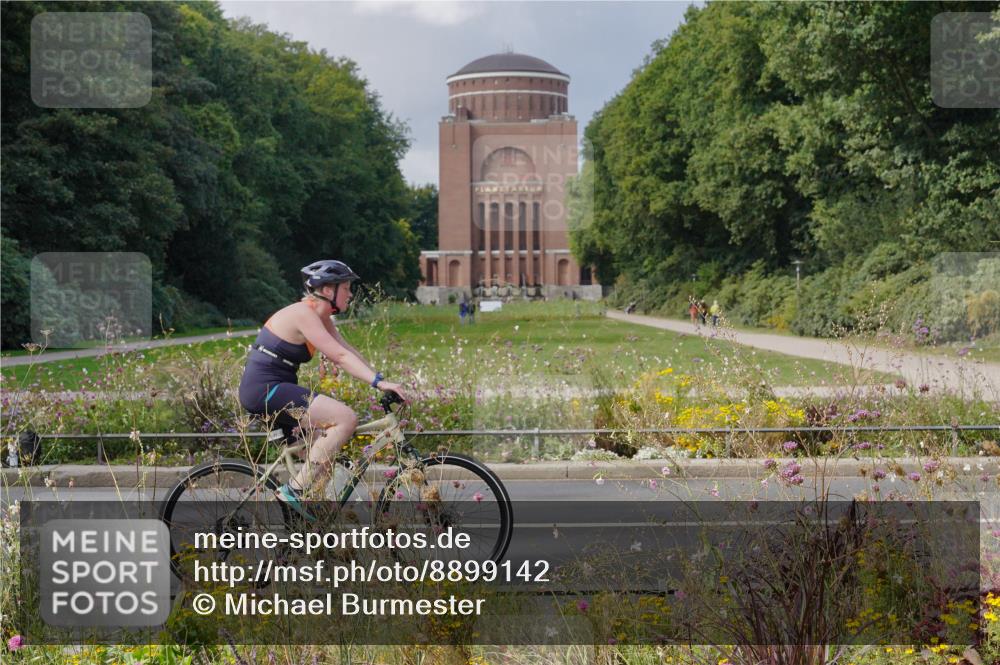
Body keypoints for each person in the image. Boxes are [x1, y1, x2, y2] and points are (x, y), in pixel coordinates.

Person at [238, 259, 410, 519]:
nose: (350, 294)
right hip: (266, 390)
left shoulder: (321, 316)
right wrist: (378, 383)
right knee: (345, 418)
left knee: (324, 458)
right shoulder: (303, 314)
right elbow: (339, 356)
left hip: (275, 389)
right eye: (346, 288)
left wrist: (380, 379)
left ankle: (308, 525)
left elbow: (346, 350)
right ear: (328, 290)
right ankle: (294, 492)